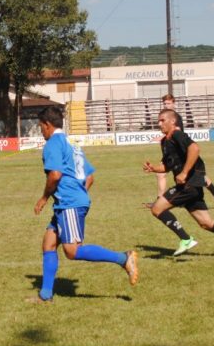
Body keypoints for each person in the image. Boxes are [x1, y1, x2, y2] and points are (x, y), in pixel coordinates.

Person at [30, 106, 138, 303]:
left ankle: (124, 258)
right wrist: (79, 195)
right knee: (49, 243)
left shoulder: (53, 143)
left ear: (47, 125)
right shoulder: (73, 145)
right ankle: (45, 295)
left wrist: (44, 198)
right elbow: (90, 176)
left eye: (40, 127)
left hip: (68, 203)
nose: (41, 131)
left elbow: (55, 175)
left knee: (72, 251)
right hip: (71, 201)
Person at [143, 109, 214, 259]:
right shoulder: (165, 141)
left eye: (162, 120)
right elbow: (168, 166)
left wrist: (184, 172)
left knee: (157, 208)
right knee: (206, 223)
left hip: (189, 184)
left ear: (173, 121)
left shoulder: (177, 134)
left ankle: (186, 239)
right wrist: (154, 168)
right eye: (158, 121)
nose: (159, 123)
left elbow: (194, 148)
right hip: (191, 187)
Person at [150, 94, 214, 209]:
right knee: (161, 173)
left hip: (180, 151)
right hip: (171, 150)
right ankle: (160, 199)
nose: (166, 105)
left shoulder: (176, 117)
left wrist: (165, 137)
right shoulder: (164, 117)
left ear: (173, 103)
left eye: (168, 103)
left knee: (197, 174)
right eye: (164, 103)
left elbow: (177, 132)